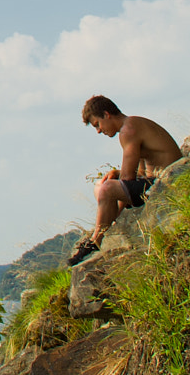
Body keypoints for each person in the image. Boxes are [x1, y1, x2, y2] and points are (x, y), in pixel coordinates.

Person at [68, 95, 183, 266]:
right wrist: (117, 173)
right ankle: (101, 231)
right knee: (102, 185)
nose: (99, 131)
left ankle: (96, 240)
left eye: (97, 125)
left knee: (106, 189)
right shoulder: (134, 125)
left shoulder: (128, 130)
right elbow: (140, 172)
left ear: (107, 114)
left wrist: (117, 213)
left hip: (167, 181)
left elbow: (127, 179)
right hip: (155, 180)